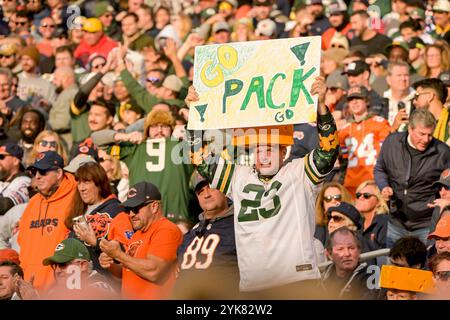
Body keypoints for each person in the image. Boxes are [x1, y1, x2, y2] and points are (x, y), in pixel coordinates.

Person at [186, 76, 339, 294]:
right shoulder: (238, 176)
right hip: (253, 287)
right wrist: (194, 115)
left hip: (298, 282)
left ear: (284, 152)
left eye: (270, 149)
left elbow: (328, 152)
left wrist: (321, 107)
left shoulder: (299, 172)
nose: (263, 156)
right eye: (258, 150)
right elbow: (199, 158)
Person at [92, 109, 195, 224]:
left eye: (164, 126)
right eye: (154, 126)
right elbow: (96, 138)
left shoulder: (181, 148)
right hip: (142, 221)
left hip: (175, 220)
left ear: (172, 129)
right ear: (147, 130)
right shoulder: (135, 148)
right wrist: (125, 136)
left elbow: (211, 140)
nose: (159, 130)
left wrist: (190, 118)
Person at [374, 108, 450, 247]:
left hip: (426, 223)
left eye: (430, 135)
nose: (426, 139)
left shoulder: (443, 152)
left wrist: (445, 200)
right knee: (394, 266)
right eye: (421, 134)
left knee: (424, 267)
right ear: (410, 128)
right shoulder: (392, 143)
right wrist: (384, 186)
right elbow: (380, 168)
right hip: (396, 221)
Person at [99, 181, 182, 300]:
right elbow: (125, 274)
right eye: (128, 209)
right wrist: (110, 263)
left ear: (154, 206)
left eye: (136, 208)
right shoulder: (136, 235)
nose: (131, 214)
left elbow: (154, 271)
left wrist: (118, 255)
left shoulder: (166, 230)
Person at [17, 151, 77, 291]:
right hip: (31, 286)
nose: (37, 176)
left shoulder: (76, 198)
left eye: (43, 172)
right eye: (34, 171)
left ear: (59, 173)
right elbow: (22, 242)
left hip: (61, 288)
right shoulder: (33, 203)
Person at [174, 174, 238, 299]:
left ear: (225, 189)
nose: (207, 194)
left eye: (211, 187)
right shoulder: (189, 235)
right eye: (200, 191)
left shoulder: (242, 227)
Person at [66, 162, 133, 277]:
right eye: (79, 183)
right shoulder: (79, 211)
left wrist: (95, 243)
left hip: (105, 284)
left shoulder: (116, 211)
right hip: (76, 283)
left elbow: (128, 253)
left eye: (86, 182)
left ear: (99, 183)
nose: (81, 188)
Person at [338, 86, 391, 195]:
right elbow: (344, 162)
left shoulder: (380, 123)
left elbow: (387, 156)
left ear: (367, 101)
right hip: (351, 186)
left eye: (358, 98)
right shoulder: (344, 131)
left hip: (374, 183)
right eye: (351, 99)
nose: (355, 102)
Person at [42, 238, 117, 299]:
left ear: (82, 265)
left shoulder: (99, 289)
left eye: (63, 264)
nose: (57, 271)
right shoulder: (56, 290)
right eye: (54, 265)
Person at [321, 227, 377, 299]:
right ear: (329, 254)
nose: (347, 254)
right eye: (340, 249)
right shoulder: (325, 275)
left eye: (351, 248)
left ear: (359, 251)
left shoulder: (370, 275)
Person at [49, 66, 78, 150]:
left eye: (55, 79)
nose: (53, 82)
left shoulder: (68, 95)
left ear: (65, 78)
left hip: (66, 143)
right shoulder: (68, 93)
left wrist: (45, 122)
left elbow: (62, 123)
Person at [412, 78, 450, 143]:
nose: (414, 101)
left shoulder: (448, 125)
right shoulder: (414, 125)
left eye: (417, 96)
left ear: (430, 96)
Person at [355, 180, 388, 249]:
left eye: (366, 195)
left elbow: (384, 254)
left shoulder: (385, 221)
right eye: (358, 195)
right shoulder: (357, 224)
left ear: (378, 201)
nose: (360, 198)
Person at [0, 142, 30, 215]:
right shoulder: (2, 180)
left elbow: (6, 205)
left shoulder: (25, 182)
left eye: (1, 157)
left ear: (16, 161)